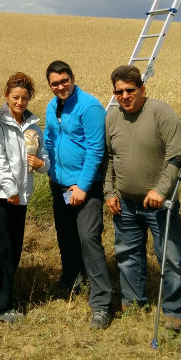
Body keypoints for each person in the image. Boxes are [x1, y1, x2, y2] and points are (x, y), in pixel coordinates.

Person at [103, 65, 181, 330]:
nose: (125, 96)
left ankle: (173, 309)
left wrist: (160, 191)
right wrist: (109, 192)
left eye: (130, 90)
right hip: (124, 203)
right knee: (127, 253)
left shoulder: (160, 112)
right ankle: (133, 300)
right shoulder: (112, 117)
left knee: (169, 256)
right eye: (119, 91)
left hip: (158, 204)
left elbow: (177, 157)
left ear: (142, 89)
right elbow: (108, 158)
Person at [43, 60, 113, 329]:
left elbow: (97, 150)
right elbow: (49, 139)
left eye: (64, 81)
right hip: (59, 184)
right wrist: (50, 170)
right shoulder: (52, 106)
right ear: (49, 85)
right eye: (54, 83)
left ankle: (101, 302)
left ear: (72, 78)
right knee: (66, 235)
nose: (60, 86)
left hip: (86, 187)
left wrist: (82, 187)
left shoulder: (90, 106)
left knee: (88, 238)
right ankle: (72, 279)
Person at [0, 73, 50, 323]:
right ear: (7, 96)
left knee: (14, 250)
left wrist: (42, 165)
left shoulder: (33, 125)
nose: (20, 102)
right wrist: (10, 190)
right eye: (15, 97)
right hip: (0, 196)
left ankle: (4, 297)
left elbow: (43, 160)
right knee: (1, 251)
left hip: (21, 197)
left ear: (30, 97)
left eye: (24, 98)